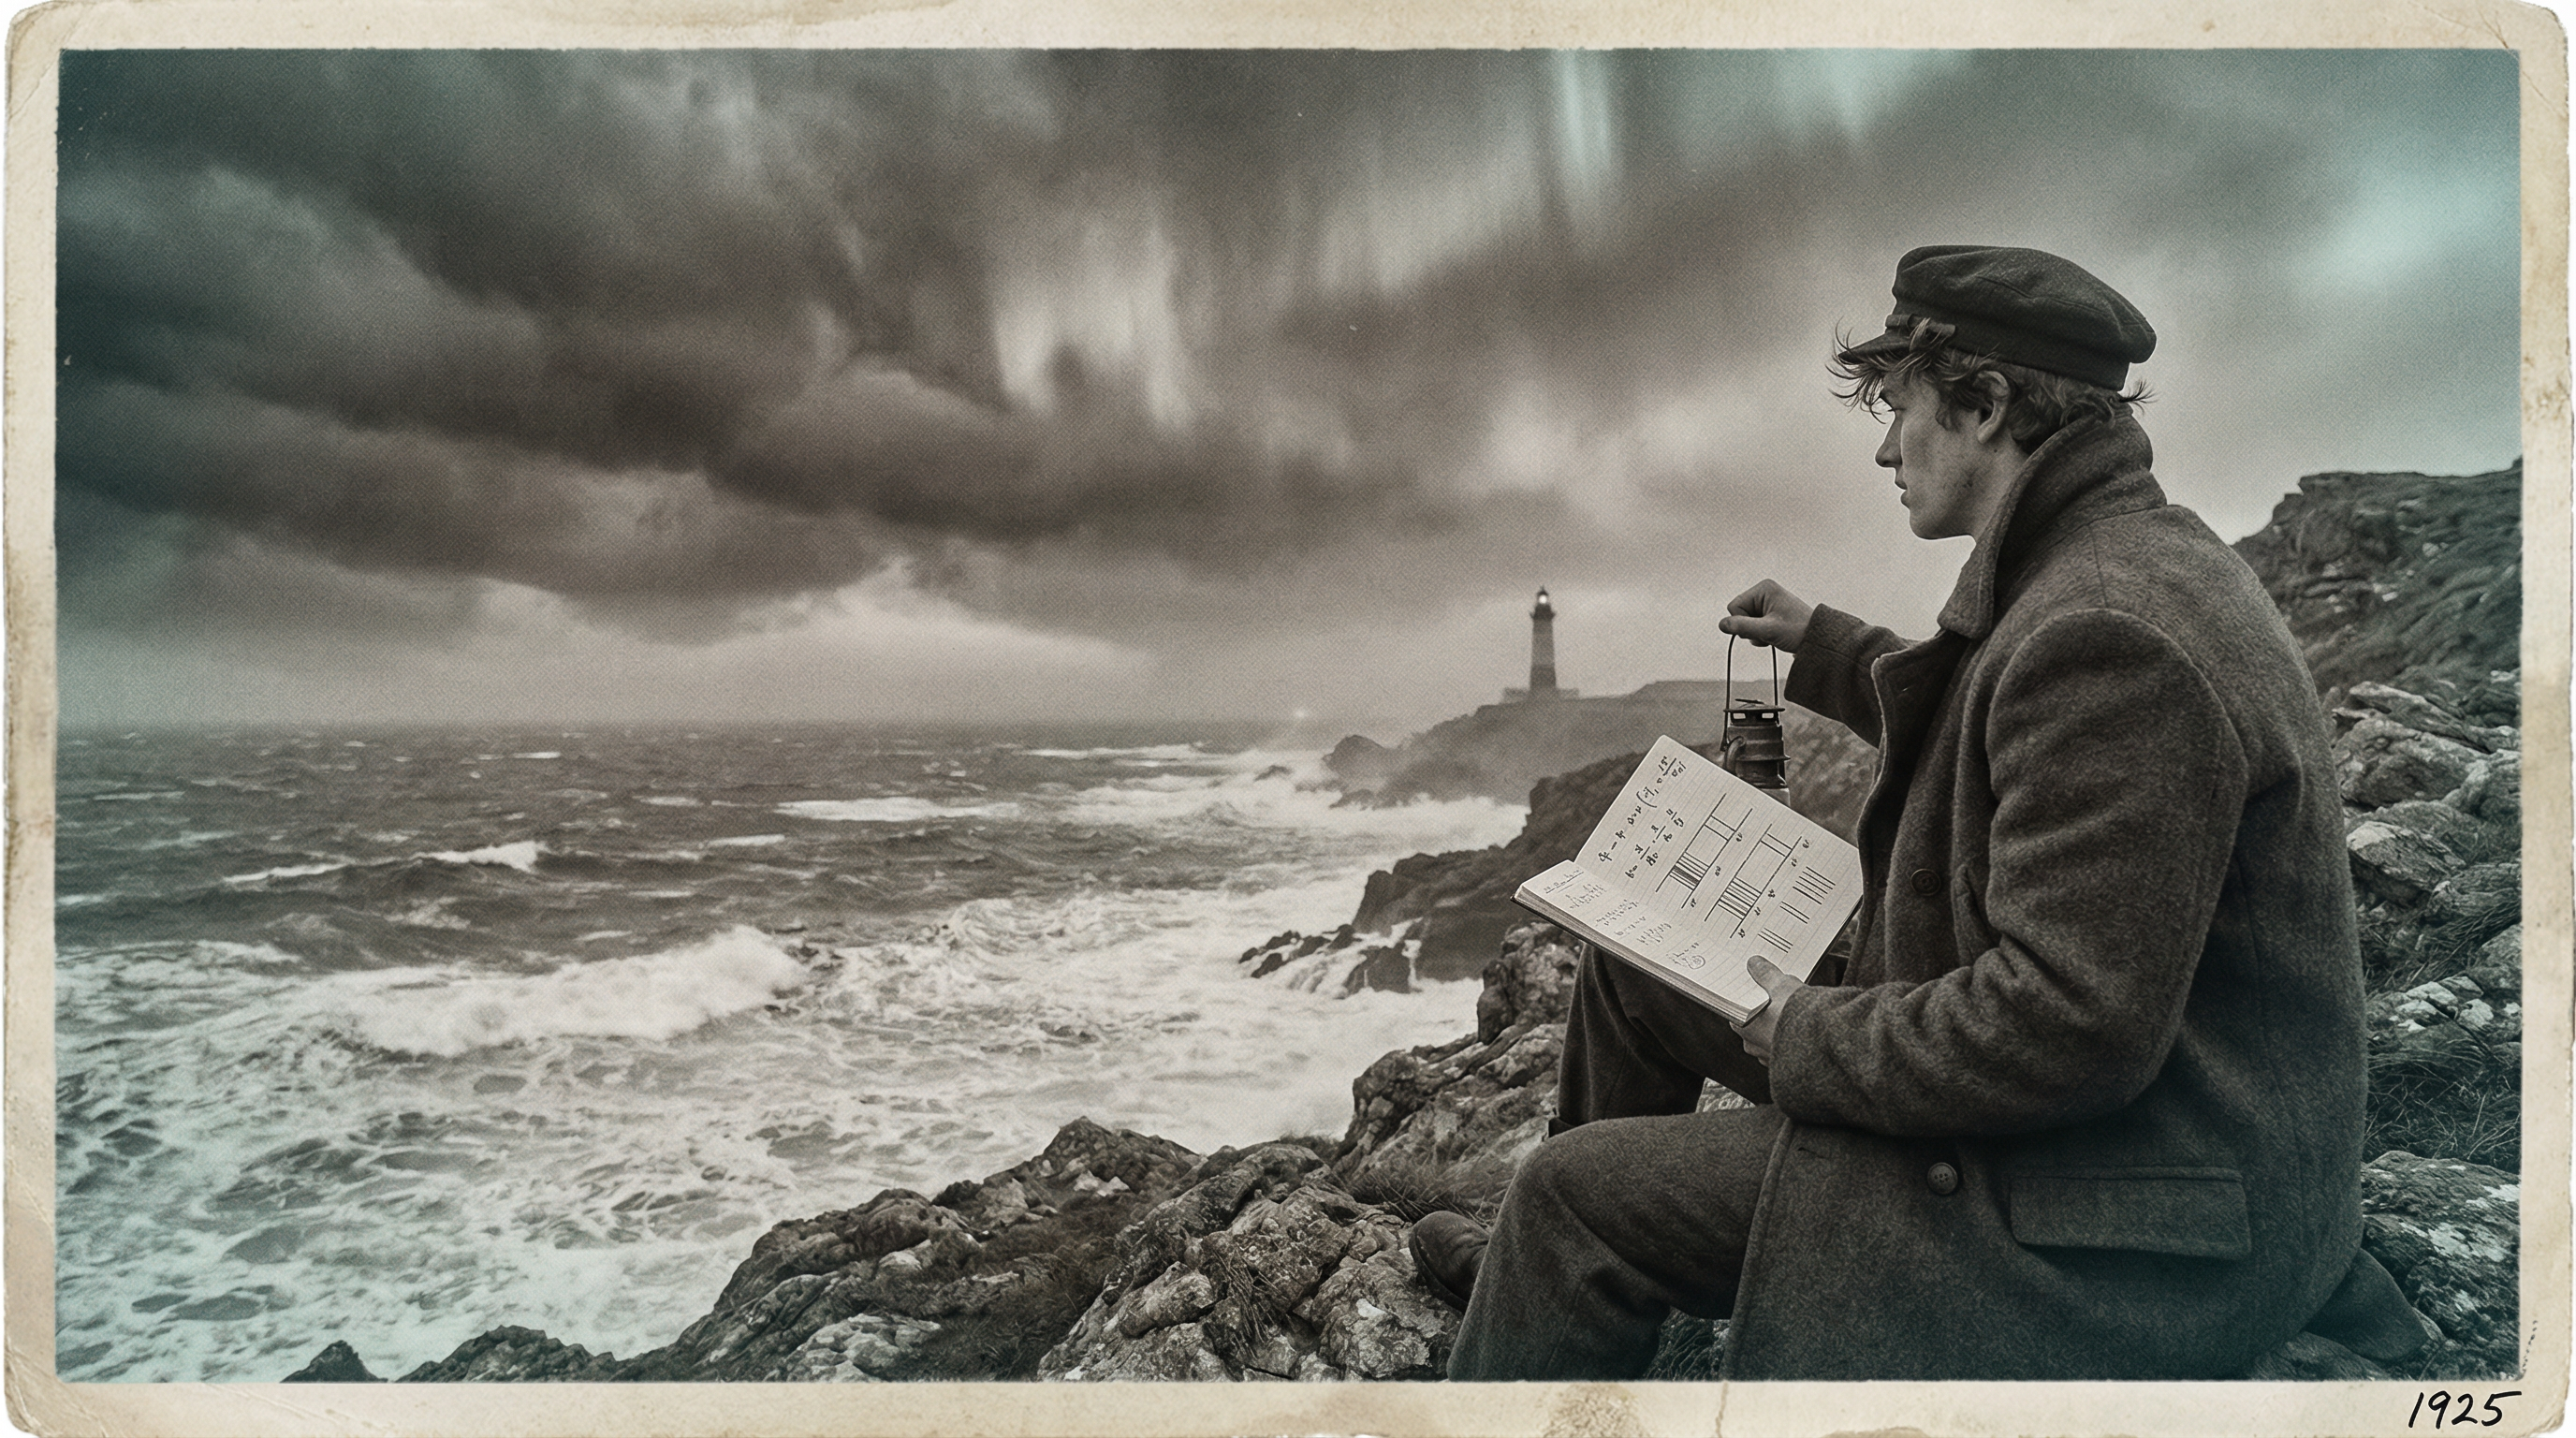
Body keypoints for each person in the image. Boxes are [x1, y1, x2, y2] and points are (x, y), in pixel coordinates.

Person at [1408, 245, 2430, 1380]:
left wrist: (1806, 1031)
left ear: (1986, 405)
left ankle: (1558, 1258)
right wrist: (1832, 646)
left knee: (1572, 1198)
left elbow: (2067, 1029)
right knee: (1639, 966)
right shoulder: (2115, 561)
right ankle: (1531, 1276)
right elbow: (2005, 726)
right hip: (2129, 1145)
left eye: (1900, 411)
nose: (1887, 448)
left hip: (2132, 1209)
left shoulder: (2111, 638)